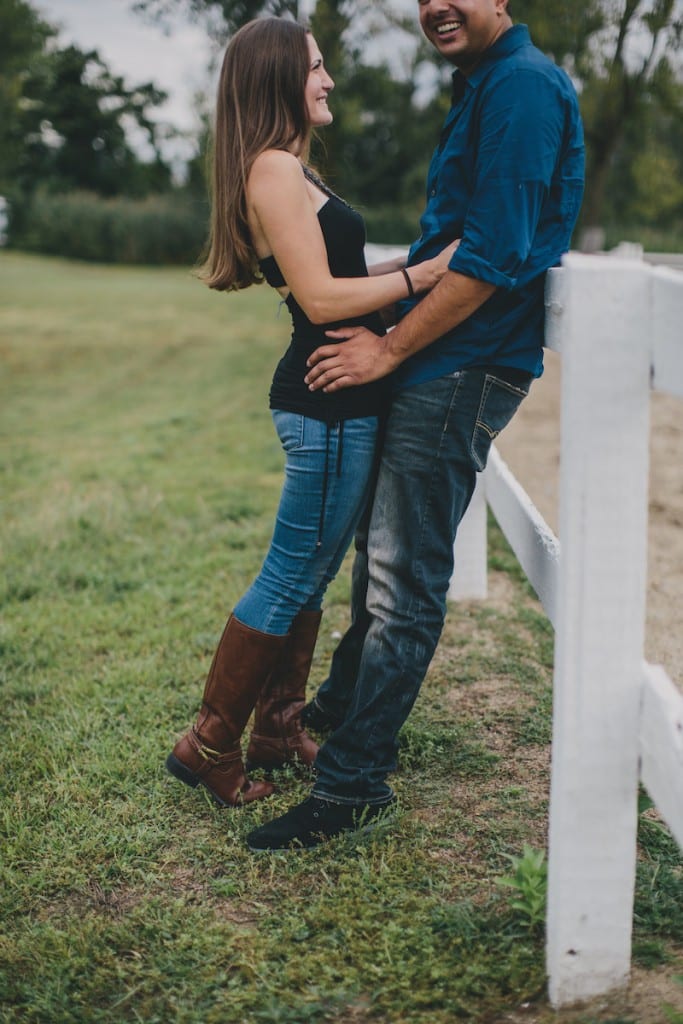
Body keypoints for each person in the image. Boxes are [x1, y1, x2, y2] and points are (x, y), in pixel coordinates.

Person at [247, 0, 585, 850]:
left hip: (465, 362)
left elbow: (494, 257)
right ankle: (330, 710)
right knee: (380, 565)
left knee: (403, 580)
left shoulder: (521, 90)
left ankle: (353, 782)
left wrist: (387, 351)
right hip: (440, 356)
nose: (435, 5)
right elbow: (453, 243)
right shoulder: (481, 86)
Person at [165, 17, 457, 808]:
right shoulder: (270, 170)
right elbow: (324, 298)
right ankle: (210, 742)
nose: (328, 80)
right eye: (315, 68)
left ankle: (276, 729)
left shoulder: (292, 168)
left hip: (338, 400)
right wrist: (423, 277)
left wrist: (413, 267)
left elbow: (340, 272)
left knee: (311, 573)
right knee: (291, 571)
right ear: (277, 79)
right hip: (325, 403)